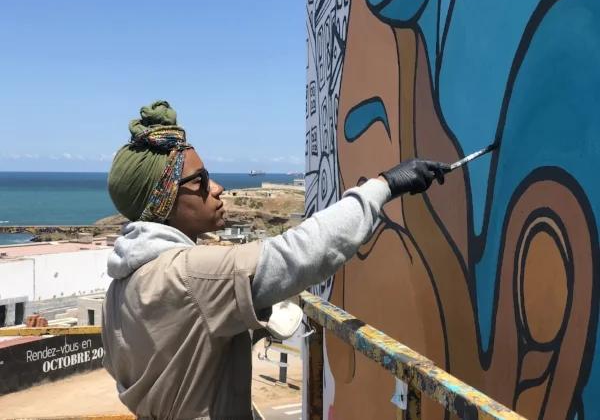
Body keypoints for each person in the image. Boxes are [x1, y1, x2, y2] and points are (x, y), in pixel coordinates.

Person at [101, 100, 450, 420]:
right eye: (201, 180)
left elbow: (169, 356)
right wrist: (384, 185)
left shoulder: (119, 288)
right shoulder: (191, 275)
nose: (217, 188)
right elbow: (302, 252)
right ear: (163, 200)